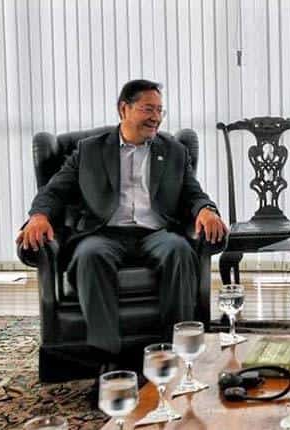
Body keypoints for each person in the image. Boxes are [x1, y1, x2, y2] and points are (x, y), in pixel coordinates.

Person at [17, 79, 227, 368]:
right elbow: (54, 191)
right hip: (103, 233)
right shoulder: (89, 151)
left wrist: (206, 210)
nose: (156, 117)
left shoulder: (174, 151)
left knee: (179, 251)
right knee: (90, 255)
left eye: (160, 110)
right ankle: (108, 358)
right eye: (148, 109)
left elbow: (193, 193)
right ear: (123, 109)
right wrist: (38, 216)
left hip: (156, 232)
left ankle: (174, 354)